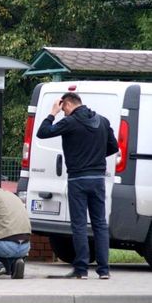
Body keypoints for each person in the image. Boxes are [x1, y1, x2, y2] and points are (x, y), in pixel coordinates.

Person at [37, 92, 119, 279]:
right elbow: (114, 147)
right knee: (100, 224)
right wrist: (95, 157)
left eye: (62, 108)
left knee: (80, 225)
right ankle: (104, 270)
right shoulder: (103, 121)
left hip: (77, 180)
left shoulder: (70, 122)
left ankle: (81, 270)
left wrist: (52, 113)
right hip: (98, 179)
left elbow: (42, 133)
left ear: (66, 104)